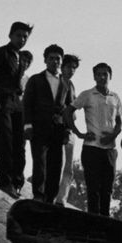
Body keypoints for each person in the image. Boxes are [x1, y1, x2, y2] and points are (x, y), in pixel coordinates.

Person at [0, 21, 33, 195]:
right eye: (18, 35)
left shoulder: (21, 58)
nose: (21, 39)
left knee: (19, 143)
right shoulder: (0, 53)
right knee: (5, 139)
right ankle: (4, 180)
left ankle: (16, 180)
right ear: (11, 35)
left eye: (25, 37)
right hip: (2, 100)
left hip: (16, 104)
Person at [68, 63, 122, 216]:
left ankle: (105, 222)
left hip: (110, 149)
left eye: (105, 74)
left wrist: (113, 135)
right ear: (94, 77)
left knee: (107, 189)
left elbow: (119, 121)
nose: (102, 77)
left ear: (110, 76)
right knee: (93, 188)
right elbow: (68, 111)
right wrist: (79, 133)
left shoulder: (115, 97)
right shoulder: (87, 94)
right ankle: (93, 221)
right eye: (98, 74)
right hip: (92, 147)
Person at [22, 45, 69, 204]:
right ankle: (38, 195)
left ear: (61, 61)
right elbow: (27, 103)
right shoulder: (35, 79)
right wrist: (27, 125)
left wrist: (67, 131)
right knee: (40, 162)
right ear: (45, 60)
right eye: (51, 58)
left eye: (58, 59)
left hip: (58, 130)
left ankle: (50, 198)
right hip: (38, 127)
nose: (55, 61)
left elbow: (69, 110)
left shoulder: (67, 84)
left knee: (56, 165)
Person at [54, 54, 80, 205]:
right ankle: (53, 195)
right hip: (59, 127)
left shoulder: (70, 85)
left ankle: (61, 198)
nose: (71, 70)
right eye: (68, 67)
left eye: (73, 68)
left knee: (68, 167)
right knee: (57, 163)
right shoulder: (58, 83)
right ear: (62, 67)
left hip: (69, 128)